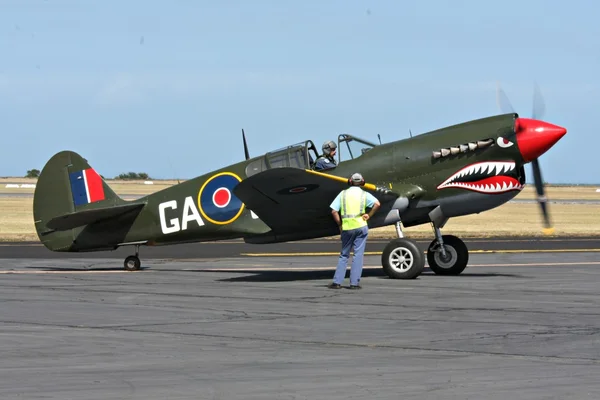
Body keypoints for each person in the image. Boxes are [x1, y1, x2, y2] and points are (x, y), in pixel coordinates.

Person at [328, 172, 381, 289]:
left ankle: (337, 282)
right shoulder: (364, 194)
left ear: (350, 181)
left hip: (347, 228)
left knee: (344, 255)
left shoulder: (343, 194)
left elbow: (333, 211)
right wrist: (369, 215)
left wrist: (340, 224)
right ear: (362, 182)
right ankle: (354, 284)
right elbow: (377, 204)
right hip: (361, 226)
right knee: (358, 255)